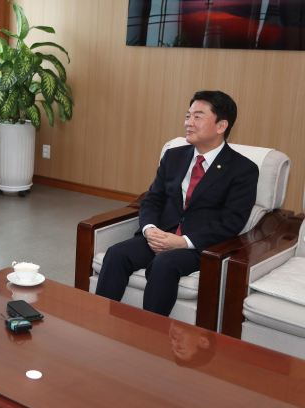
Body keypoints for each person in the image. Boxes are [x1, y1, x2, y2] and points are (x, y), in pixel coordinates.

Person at [95, 90, 259, 317]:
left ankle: (152, 336)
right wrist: (149, 229)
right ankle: (97, 323)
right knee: (116, 254)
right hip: (160, 234)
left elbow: (232, 221)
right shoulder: (174, 156)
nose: (188, 123)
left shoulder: (243, 169)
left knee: (164, 265)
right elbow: (152, 198)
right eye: (187, 116)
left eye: (198, 117)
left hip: (197, 245)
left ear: (221, 126)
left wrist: (183, 242)